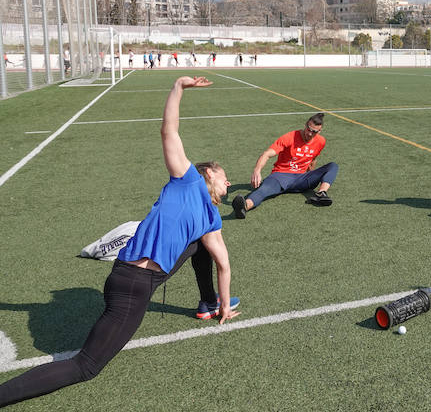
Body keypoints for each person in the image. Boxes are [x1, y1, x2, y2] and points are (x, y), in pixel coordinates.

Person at [0, 76, 242, 407]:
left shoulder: (211, 220)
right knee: (85, 366)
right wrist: (177, 87)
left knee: (200, 247)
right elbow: (169, 131)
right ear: (208, 174)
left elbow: (223, 264)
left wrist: (224, 305)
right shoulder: (187, 179)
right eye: (224, 174)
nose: (229, 180)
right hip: (134, 287)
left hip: (127, 274)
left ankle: (208, 303)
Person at [231, 113, 338, 219]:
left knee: (333, 166)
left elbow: (312, 159)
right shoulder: (289, 137)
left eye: (314, 132)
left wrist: (310, 174)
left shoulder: (321, 141)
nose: (310, 133)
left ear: (319, 131)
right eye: (309, 129)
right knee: (263, 190)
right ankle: (244, 206)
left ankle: (321, 194)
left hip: (301, 179)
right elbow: (267, 154)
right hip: (281, 176)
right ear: (305, 125)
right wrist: (257, 170)